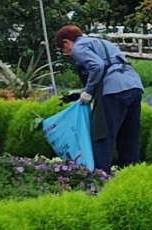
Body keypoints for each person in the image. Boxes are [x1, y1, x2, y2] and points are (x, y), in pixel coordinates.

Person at [57, 23, 143, 172]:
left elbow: (97, 66)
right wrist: (81, 92)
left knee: (103, 135)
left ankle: (100, 179)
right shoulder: (99, 42)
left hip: (113, 89)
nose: (68, 54)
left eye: (64, 50)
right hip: (134, 85)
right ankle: (131, 176)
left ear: (66, 42)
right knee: (129, 138)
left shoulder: (78, 46)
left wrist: (89, 91)